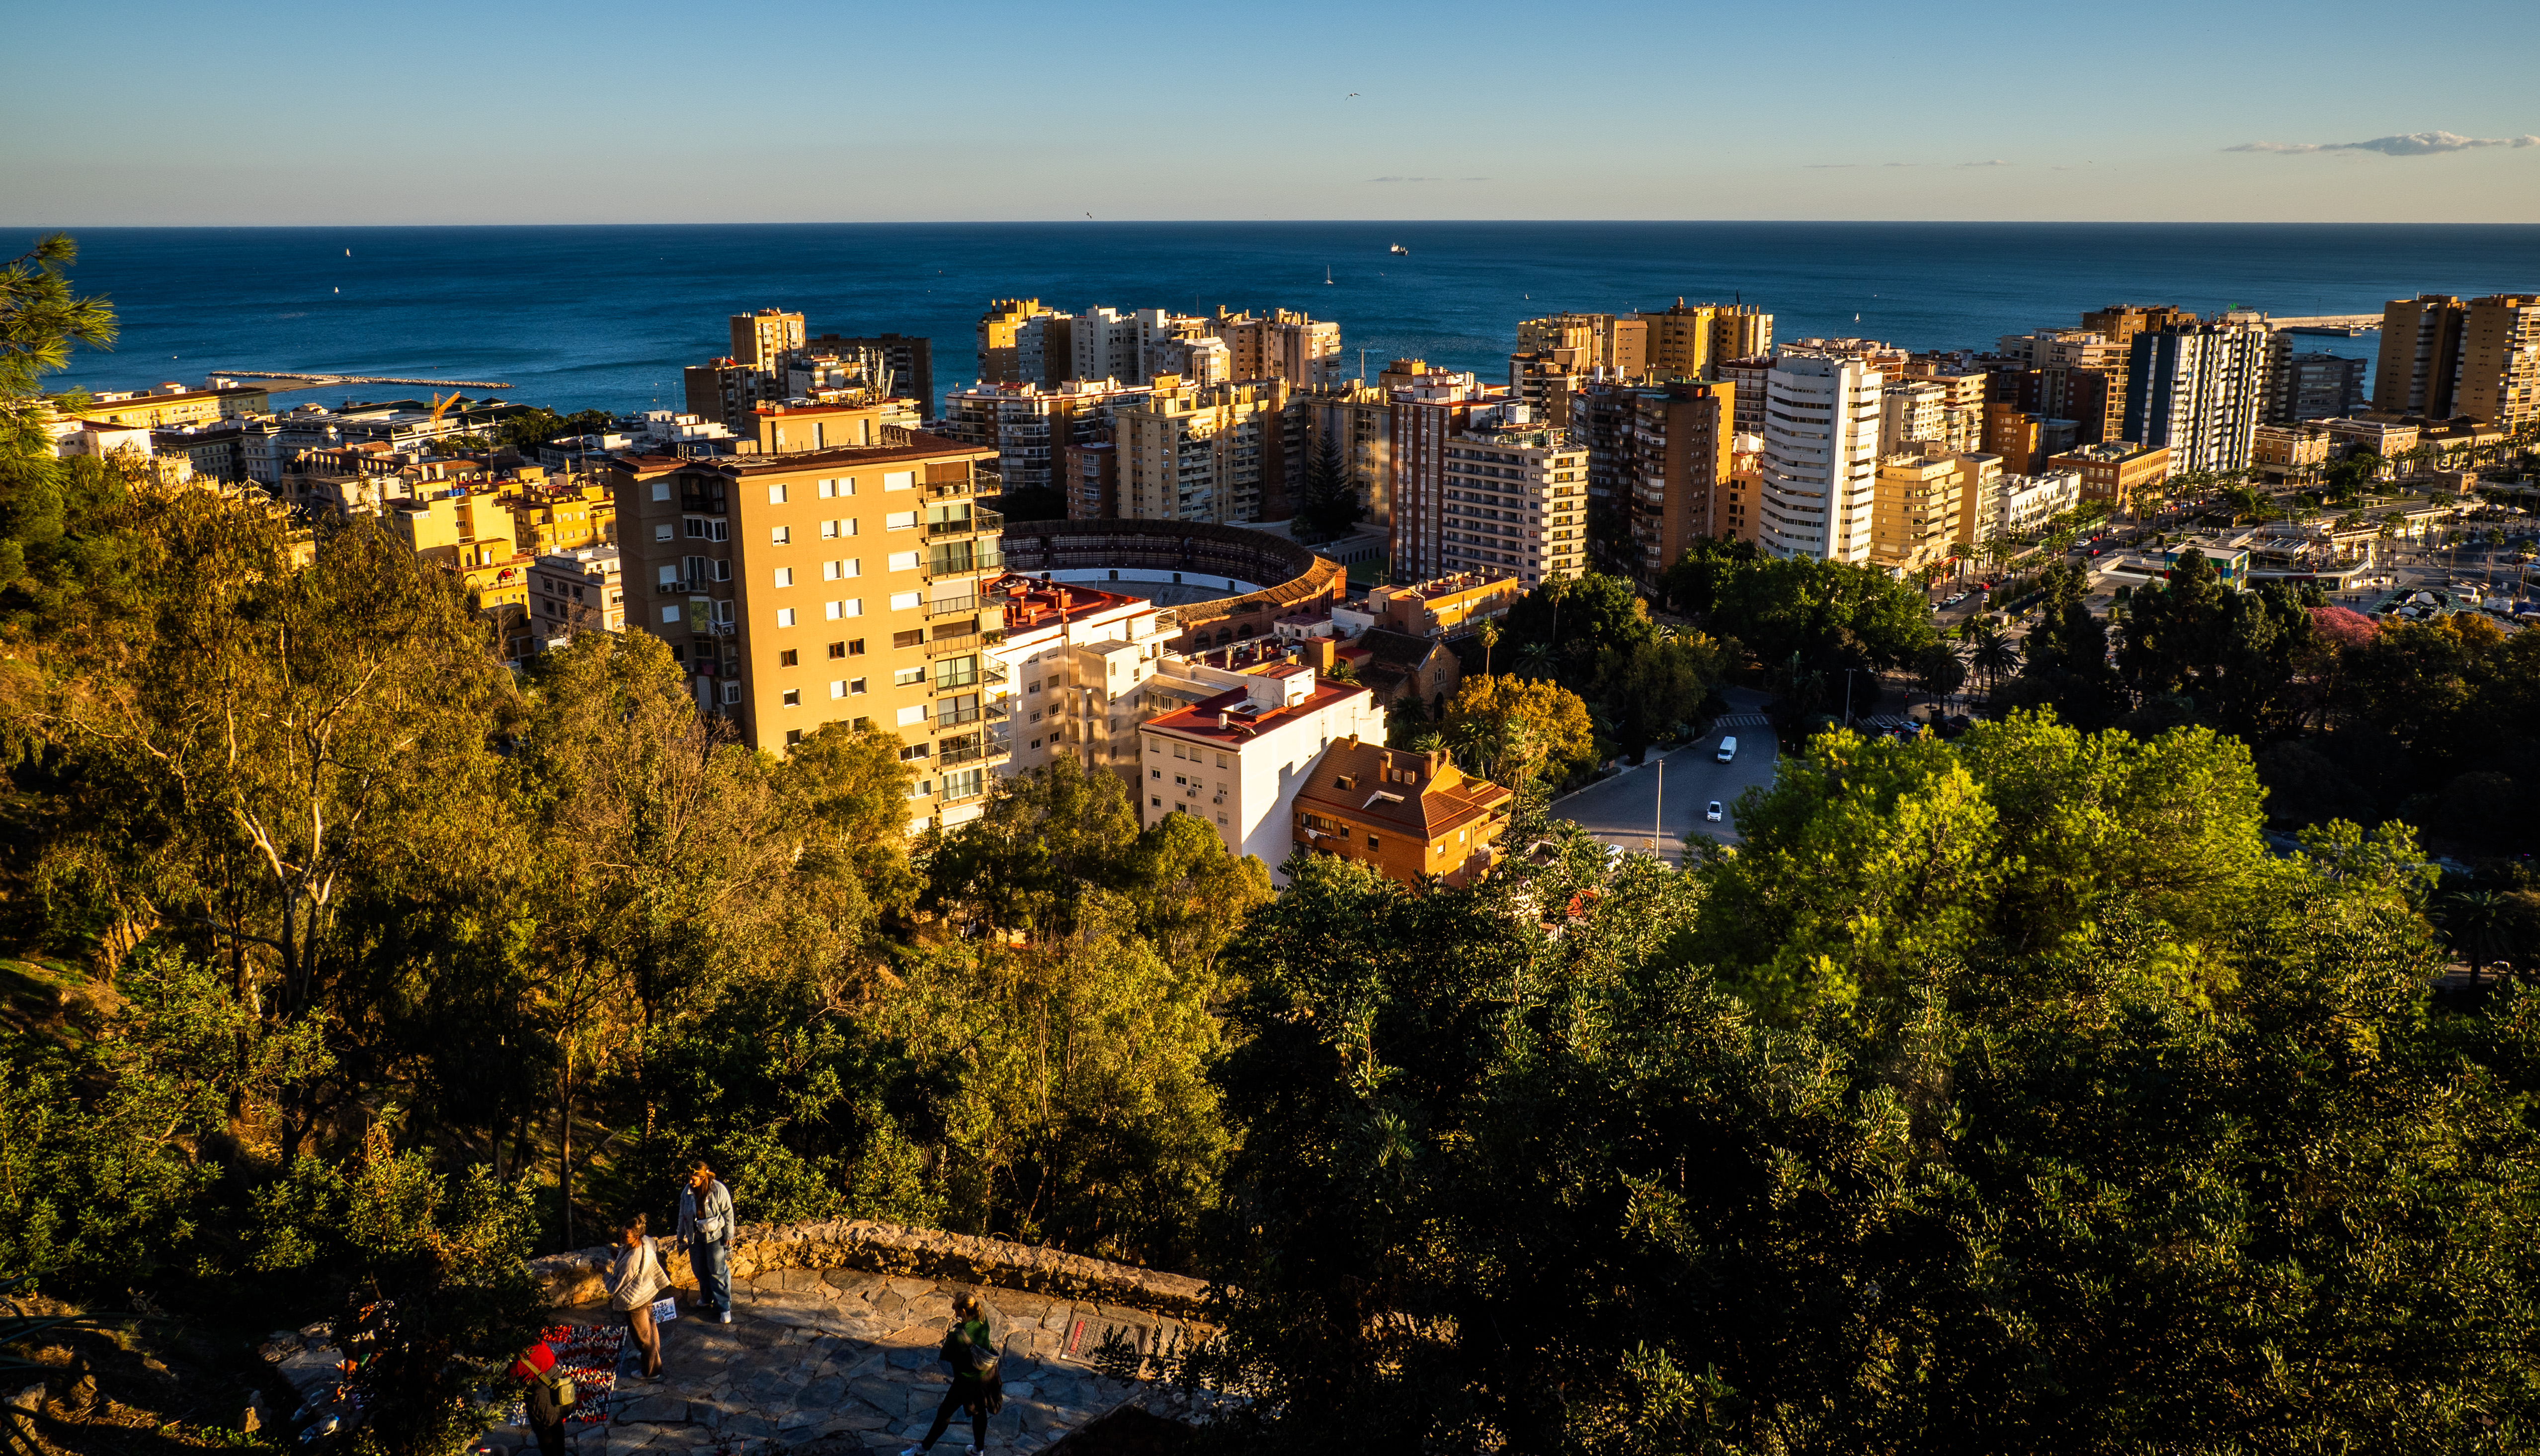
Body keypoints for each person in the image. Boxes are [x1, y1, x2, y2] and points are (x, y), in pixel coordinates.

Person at [901, 1293, 996, 1456]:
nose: (953, 1309)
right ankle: (978, 1450)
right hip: (985, 1376)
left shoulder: (958, 1337)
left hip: (966, 1382)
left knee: (944, 1414)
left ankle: (923, 1449)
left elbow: (945, 1357)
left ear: (963, 1311)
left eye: (956, 1307)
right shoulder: (982, 1318)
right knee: (979, 1413)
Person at [606, 1213, 668, 1380]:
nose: (621, 1238)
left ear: (636, 1237)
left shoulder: (632, 1260)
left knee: (642, 1337)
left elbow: (616, 1286)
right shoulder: (647, 1242)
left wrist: (603, 1273)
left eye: (625, 1236)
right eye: (622, 1234)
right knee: (651, 1325)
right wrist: (619, 1256)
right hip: (648, 1291)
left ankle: (652, 1371)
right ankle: (654, 1356)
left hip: (636, 1300)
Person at [675, 1161, 735, 1325]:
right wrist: (680, 1235)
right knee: (699, 1269)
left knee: (717, 1270)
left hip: (715, 1236)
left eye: (694, 1179)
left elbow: (728, 1213)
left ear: (703, 1178)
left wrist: (729, 1235)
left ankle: (724, 1307)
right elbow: (682, 1214)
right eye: (689, 1178)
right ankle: (707, 1298)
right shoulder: (687, 1192)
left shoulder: (718, 1190)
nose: (690, 1182)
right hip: (695, 1237)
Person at [509, 1339, 574, 1456]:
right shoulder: (535, 1341)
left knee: (548, 1433)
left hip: (541, 1395)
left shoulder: (516, 1361)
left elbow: (507, 1377)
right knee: (556, 1428)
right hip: (556, 1383)